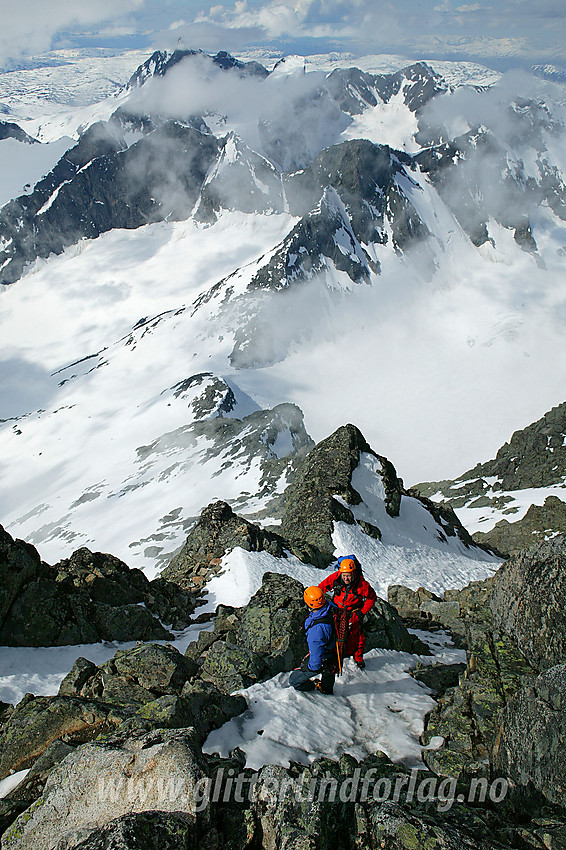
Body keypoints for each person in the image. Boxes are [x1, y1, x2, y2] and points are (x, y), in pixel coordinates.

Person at [318, 555, 377, 669]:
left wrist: (362, 612)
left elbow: (372, 597)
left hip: (353, 612)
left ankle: (358, 657)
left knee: (357, 635)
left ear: (353, 573)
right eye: (344, 575)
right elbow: (322, 587)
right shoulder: (335, 577)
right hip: (337, 609)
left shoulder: (362, 584)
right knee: (333, 632)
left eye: (348, 576)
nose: (346, 579)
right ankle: (334, 654)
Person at [289, 586, 338, 694]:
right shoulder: (331, 607)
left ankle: (311, 686)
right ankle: (326, 689)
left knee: (293, 680)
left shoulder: (316, 631)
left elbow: (316, 662)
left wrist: (308, 667)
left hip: (324, 657)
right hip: (334, 652)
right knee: (330, 670)